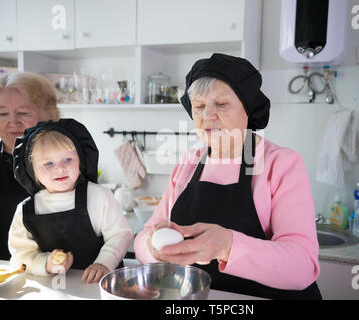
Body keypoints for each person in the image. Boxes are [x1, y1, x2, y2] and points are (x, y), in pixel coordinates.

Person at [134, 53, 322, 300]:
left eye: (221, 104)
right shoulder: (189, 163)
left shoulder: (281, 163)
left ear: (248, 109)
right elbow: (144, 237)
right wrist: (153, 247)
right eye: (199, 107)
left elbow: (302, 266)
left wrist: (227, 246)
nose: (207, 116)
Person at [9, 118, 133, 283]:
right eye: (48, 163)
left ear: (80, 160)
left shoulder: (100, 196)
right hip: (52, 289)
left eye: (67, 159)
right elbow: (20, 255)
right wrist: (45, 264)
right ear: (32, 170)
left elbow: (120, 234)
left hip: (101, 284)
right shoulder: (26, 211)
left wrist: (104, 263)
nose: (60, 168)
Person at [0, 72, 60, 260]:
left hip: (58, 272)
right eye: (2, 114)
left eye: (23, 113)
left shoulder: (68, 156)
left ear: (46, 115)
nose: (13, 122)